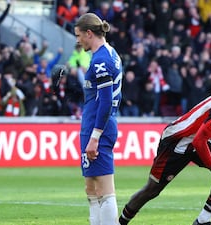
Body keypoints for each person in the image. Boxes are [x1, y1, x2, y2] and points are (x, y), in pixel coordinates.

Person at [119, 72, 211, 225]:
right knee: (152, 190)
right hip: (177, 142)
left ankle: (202, 220)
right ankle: (120, 222)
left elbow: (204, 133)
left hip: (198, 139)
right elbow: (199, 141)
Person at [74, 13, 122, 225]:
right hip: (94, 125)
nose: (77, 40)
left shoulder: (101, 60)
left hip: (98, 127)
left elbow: (105, 102)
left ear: (89, 33)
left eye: (78, 35)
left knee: (103, 188)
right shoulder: (109, 53)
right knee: (91, 188)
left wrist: (95, 136)